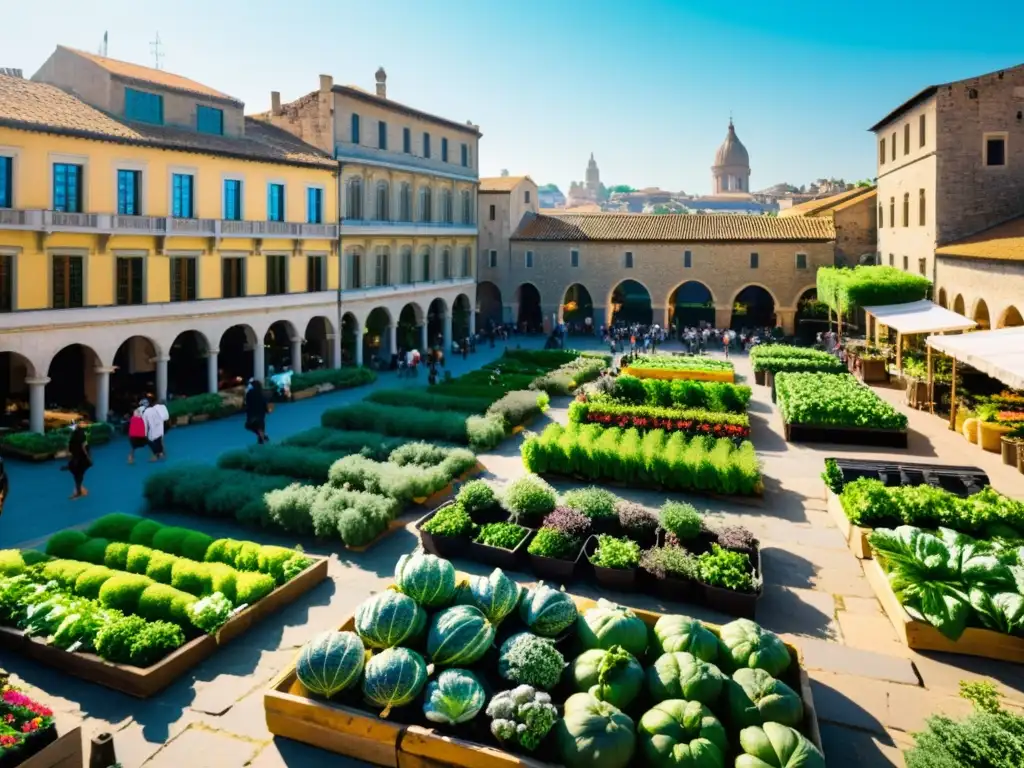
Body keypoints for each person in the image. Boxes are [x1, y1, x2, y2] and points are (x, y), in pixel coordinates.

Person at [66, 422, 92, 499]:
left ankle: (78, 489)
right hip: (82, 459)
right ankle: (79, 490)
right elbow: (84, 448)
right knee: (80, 474)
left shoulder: (72, 438)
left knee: (77, 475)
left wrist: (69, 457)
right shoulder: (83, 437)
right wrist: (88, 457)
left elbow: (69, 449)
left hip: (75, 458)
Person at [245, 378, 269, 444]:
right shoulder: (261, 392)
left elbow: (247, 402)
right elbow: (265, 402)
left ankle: (262, 436)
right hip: (261, 412)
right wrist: (266, 410)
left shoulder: (249, 393)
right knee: (260, 426)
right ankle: (262, 437)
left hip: (252, 412)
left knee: (250, 425)